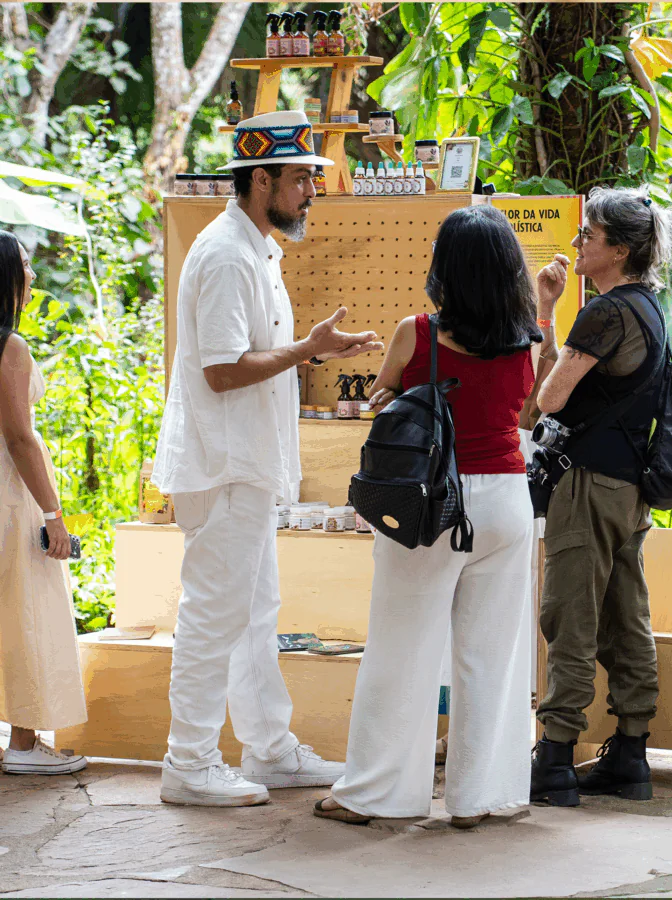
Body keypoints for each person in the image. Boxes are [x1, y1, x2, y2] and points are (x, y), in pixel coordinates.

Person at [152, 111, 383, 808]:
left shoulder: (255, 247)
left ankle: (269, 750)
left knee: (254, 613)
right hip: (225, 467)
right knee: (213, 616)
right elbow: (222, 370)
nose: (312, 190)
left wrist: (315, 348)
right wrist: (309, 349)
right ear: (261, 181)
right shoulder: (225, 254)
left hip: (244, 466)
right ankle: (188, 762)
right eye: (300, 179)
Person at [313, 205, 566, 827]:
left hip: (432, 502)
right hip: (506, 501)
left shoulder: (417, 332)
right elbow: (533, 412)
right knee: (493, 655)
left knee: (403, 646)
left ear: (443, 267)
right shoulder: (529, 337)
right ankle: (481, 797)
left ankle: (376, 794)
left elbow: (385, 398)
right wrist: (548, 310)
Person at [530, 186, 672, 807]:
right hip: (630, 488)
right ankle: (631, 753)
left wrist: (548, 319)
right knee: (626, 614)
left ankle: (555, 758)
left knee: (571, 615)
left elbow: (548, 400)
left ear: (617, 249)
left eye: (587, 235)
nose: (577, 243)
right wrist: (548, 307)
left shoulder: (606, 312)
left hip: (587, 483)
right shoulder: (649, 309)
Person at [0, 231, 88, 776]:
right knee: (26, 608)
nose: (33, 275)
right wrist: (54, 516)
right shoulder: (10, 346)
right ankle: (26, 744)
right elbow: (18, 436)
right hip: (11, 495)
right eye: (26, 265)